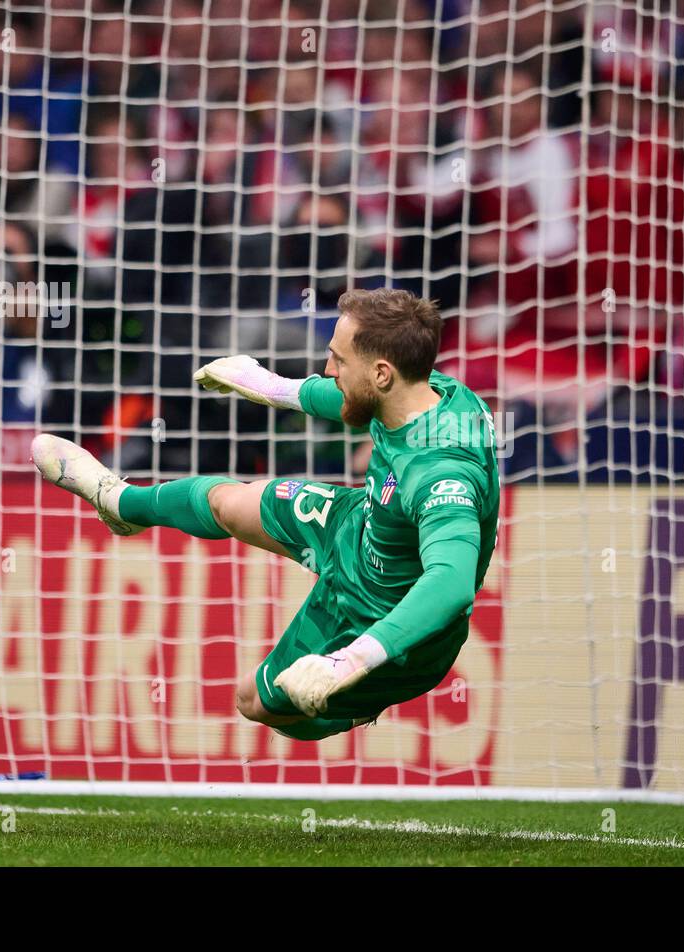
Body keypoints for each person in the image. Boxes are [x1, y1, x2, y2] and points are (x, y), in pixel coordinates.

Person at [30, 288, 501, 740]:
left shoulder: (444, 476)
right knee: (229, 502)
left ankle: (356, 703)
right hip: (359, 525)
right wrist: (266, 385)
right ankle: (118, 503)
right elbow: (346, 398)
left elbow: (451, 584)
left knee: (255, 701)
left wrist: (354, 661)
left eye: (339, 359)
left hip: (381, 618)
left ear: (380, 374)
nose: (327, 367)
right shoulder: (425, 388)